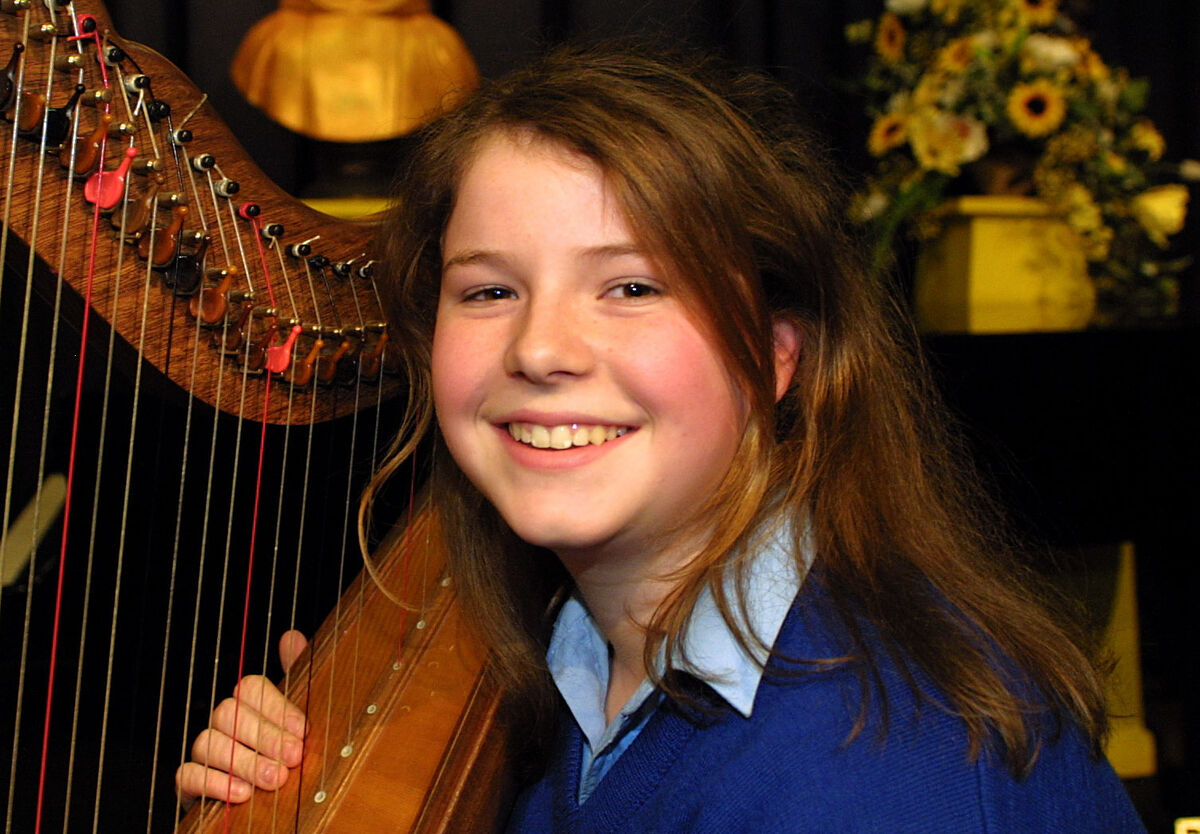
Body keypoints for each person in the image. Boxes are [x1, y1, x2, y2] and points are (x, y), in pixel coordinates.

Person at [176, 44, 1147, 831]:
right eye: (490, 290)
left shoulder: (871, 773)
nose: (541, 346)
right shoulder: (584, 649)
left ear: (776, 355)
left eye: (631, 287)